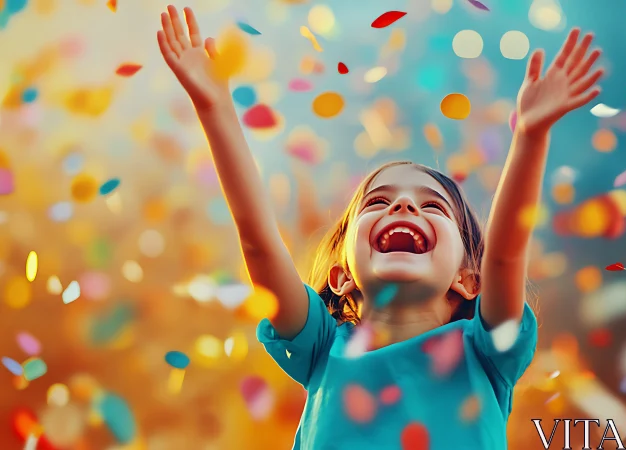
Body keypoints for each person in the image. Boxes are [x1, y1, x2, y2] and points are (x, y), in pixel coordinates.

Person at [157, 5, 603, 449]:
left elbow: (506, 253)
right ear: (342, 276)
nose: (404, 204)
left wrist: (529, 134)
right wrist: (214, 107)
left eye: (433, 206)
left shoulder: (486, 353)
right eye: (378, 201)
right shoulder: (321, 347)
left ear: (471, 279)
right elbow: (257, 240)